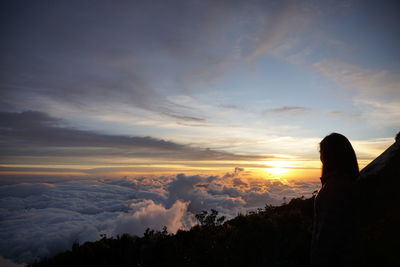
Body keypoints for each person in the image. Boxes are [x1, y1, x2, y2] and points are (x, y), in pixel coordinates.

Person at [310, 133, 359, 267]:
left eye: (322, 152)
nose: (320, 157)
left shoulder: (336, 187)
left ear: (331, 155)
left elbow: (327, 237)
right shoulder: (345, 181)